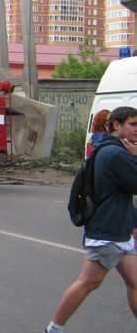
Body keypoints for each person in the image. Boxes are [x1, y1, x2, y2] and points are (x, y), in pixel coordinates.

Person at [44, 106, 137, 333]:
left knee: (135, 283)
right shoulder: (115, 153)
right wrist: (135, 157)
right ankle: (54, 329)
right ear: (117, 125)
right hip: (108, 230)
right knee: (89, 282)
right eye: (133, 125)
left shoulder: (112, 149)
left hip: (120, 229)